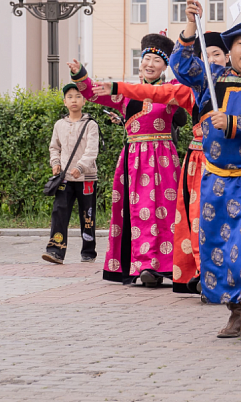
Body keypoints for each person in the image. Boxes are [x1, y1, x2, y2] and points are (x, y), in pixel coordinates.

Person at [168, 3, 241, 341]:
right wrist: (190, 25)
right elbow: (179, 65)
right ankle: (233, 314)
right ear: (230, 50)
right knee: (220, 243)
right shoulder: (213, 79)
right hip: (217, 177)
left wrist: (235, 123)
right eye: (240, 44)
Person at [68, 32, 181, 288]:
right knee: (138, 213)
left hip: (163, 160)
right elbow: (94, 94)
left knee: (165, 212)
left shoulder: (171, 90)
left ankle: (168, 264)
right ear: (140, 62)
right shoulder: (124, 94)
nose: (150, 64)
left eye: (157, 60)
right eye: (146, 59)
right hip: (134, 160)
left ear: (165, 66)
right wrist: (80, 75)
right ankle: (143, 265)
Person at [43, 83, 100, 265]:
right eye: (70, 97)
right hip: (65, 178)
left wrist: (81, 167)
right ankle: (55, 251)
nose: (74, 100)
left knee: (87, 215)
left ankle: (88, 252)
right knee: (59, 212)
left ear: (84, 100)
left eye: (78, 96)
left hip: (87, 178)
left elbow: (92, 150)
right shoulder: (59, 124)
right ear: (64, 102)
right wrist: (55, 163)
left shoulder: (91, 125)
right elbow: (54, 147)